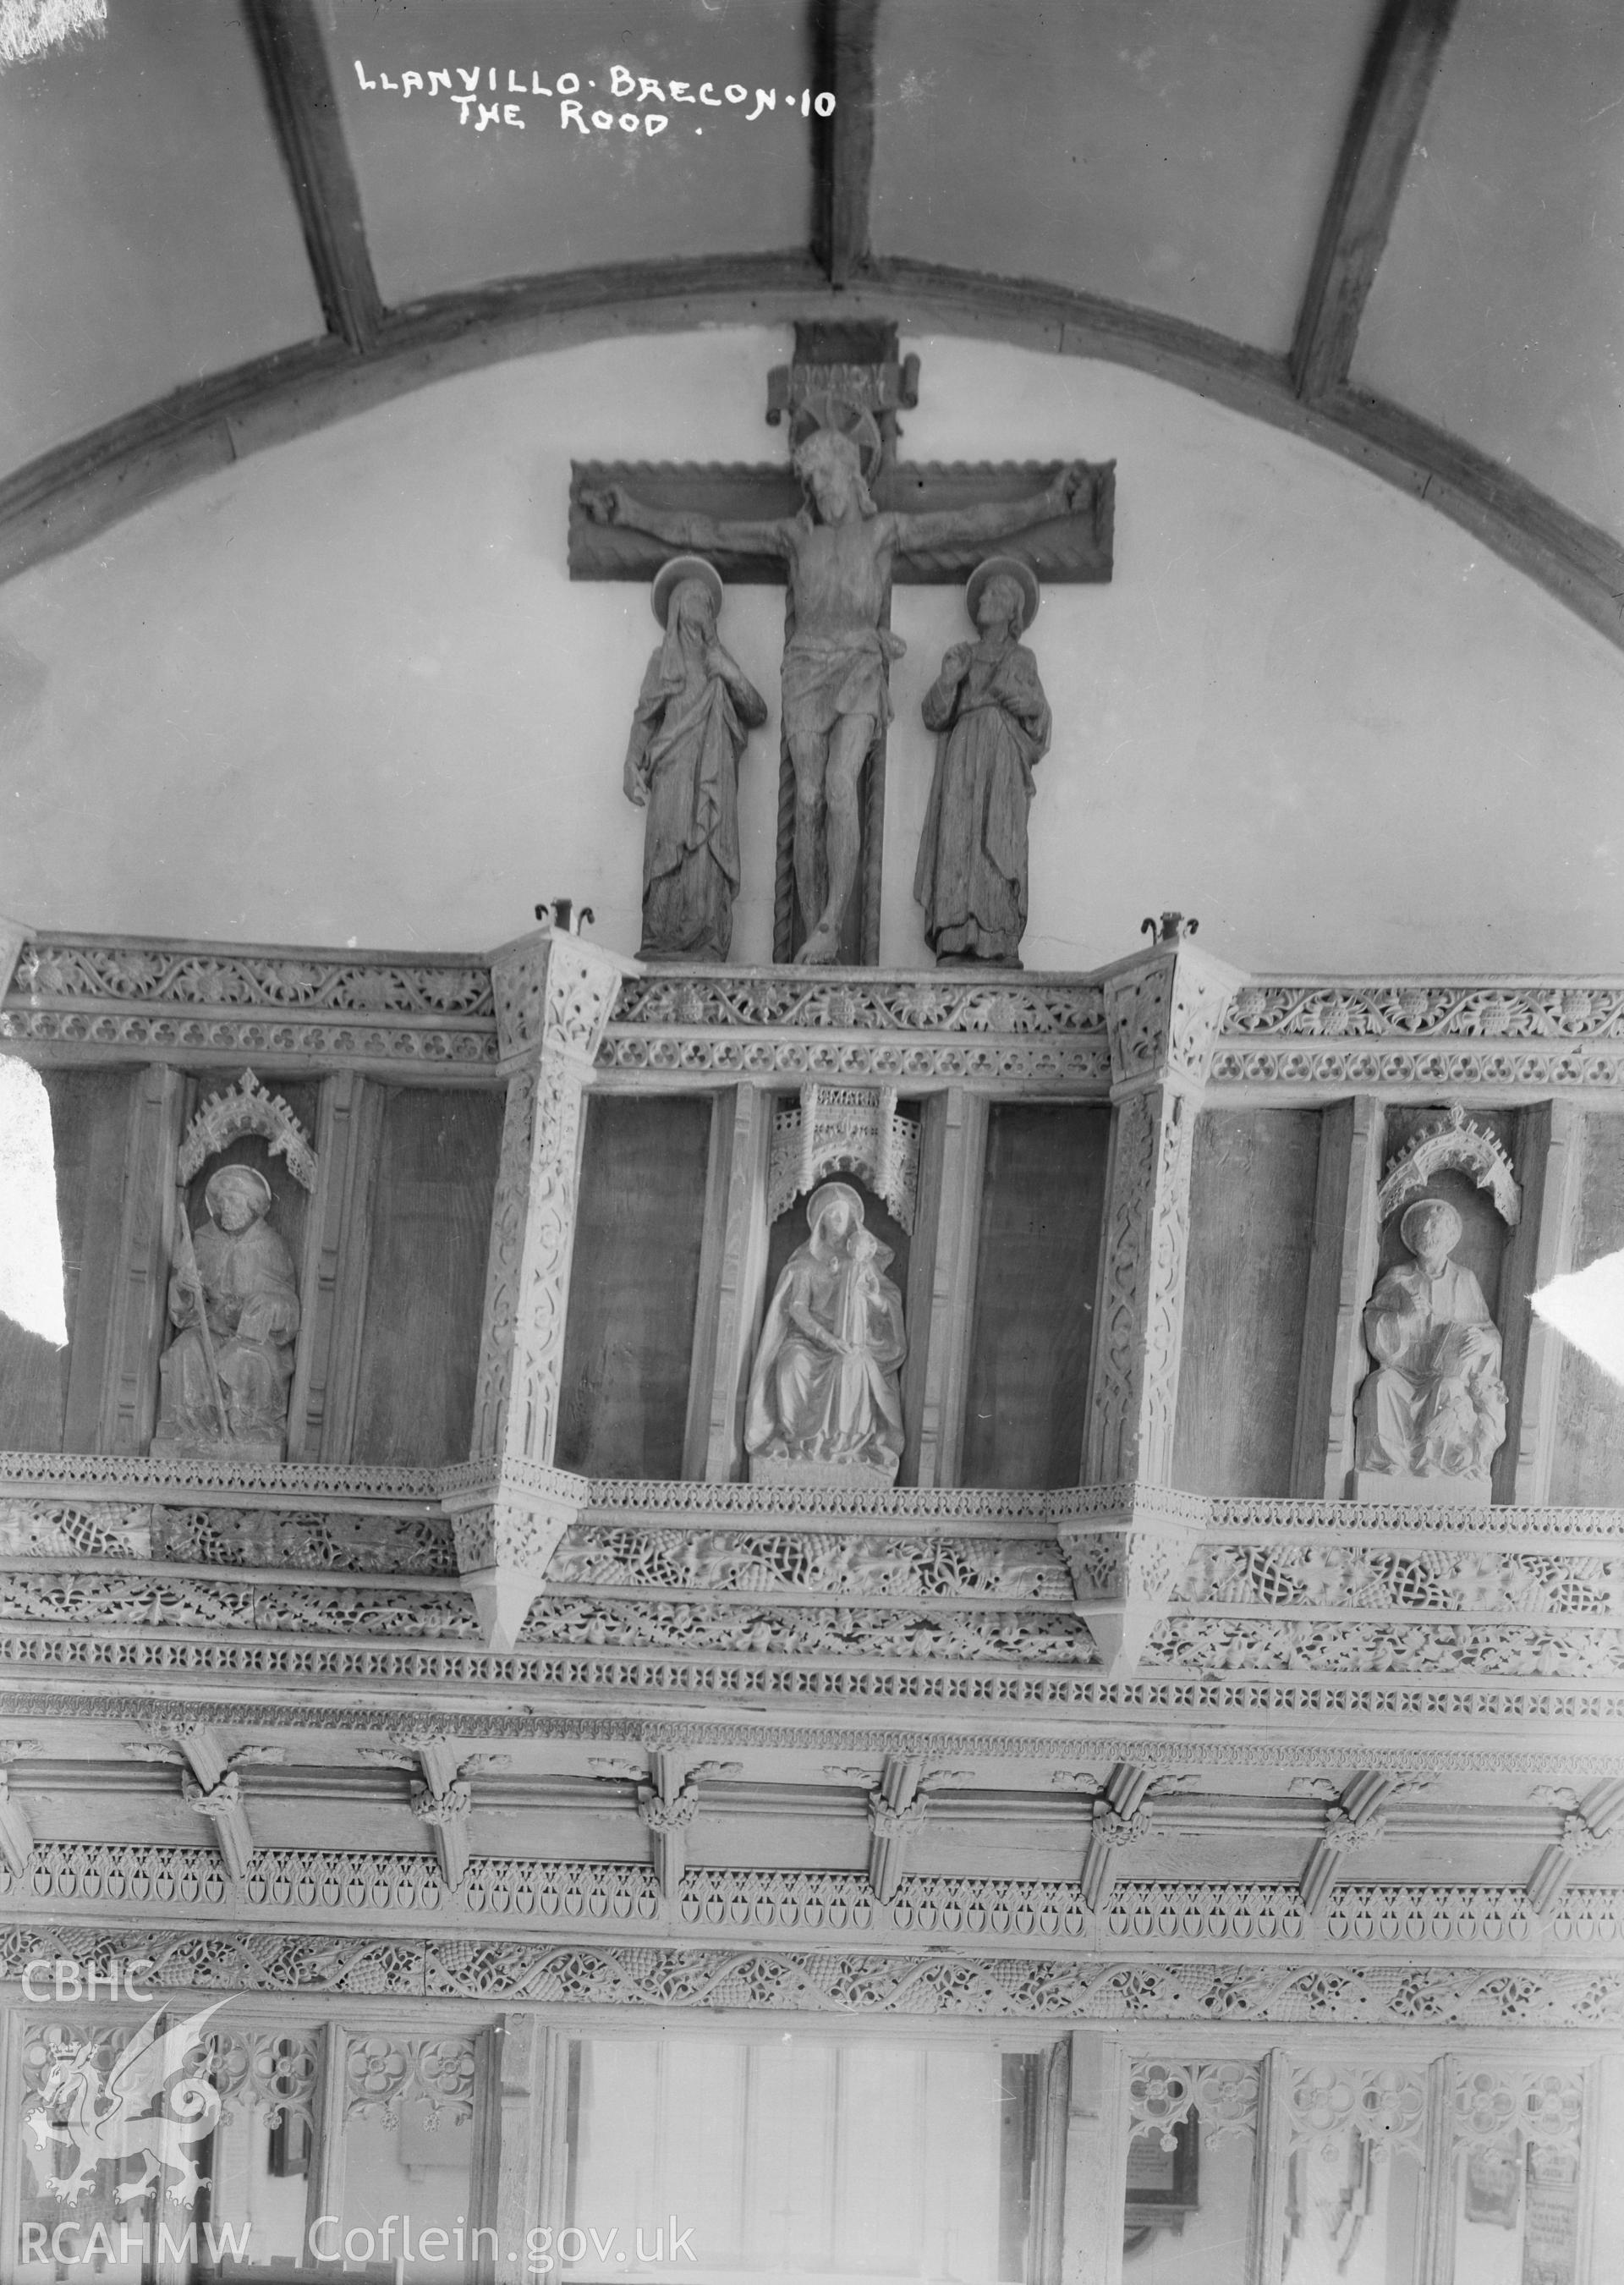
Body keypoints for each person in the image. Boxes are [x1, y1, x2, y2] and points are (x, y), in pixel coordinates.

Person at [584, 432, 1084, 964]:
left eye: (822, 474)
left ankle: (828, 923)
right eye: (809, 479)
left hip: (861, 665)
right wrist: (632, 513)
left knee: (843, 783)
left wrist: (1049, 503)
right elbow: (706, 530)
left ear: (850, 473)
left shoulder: (882, 533)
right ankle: (810, 924)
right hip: (805, 666)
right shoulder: (796, 539)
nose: (815, 487)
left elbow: (968, 523)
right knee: (808, 797)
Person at [623, 558, 766, 961]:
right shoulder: (662, 661)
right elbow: (644, 718)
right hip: (671, 771)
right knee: (668, 849)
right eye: (692, 599)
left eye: (706, 601)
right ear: (677, 609)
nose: (700, 607)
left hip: (714, 774)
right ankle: (660, 938)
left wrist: (732, 675)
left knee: (706, 852)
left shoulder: (719, 660)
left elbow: (757, 712)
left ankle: (706, 939)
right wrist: (630, 764)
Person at [914, 557, 1053, 964]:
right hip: (963, 755)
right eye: (986, 592)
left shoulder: (1022, 659)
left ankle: (997, 939)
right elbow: (933, 716)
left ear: (1013, 611)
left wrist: (1026, 703)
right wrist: (948, 680)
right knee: (959, 836)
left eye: (997, 594)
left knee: (1000, 844)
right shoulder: (962, 655)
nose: (985, 600)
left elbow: (1041, 726)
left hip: (1004, 760)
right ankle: (956, 937)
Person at [744, 1182, 907, 1478]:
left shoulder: (862, 1263)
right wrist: (826, 1338)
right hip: (808, 1340)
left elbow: (884, 1304)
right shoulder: (805, 1263)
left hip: (850, 1340)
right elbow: (797, 1309)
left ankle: (843, 1445)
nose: (838, 1222)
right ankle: (801, 1442)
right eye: (831, 1216)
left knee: (853, 1365)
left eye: (842, 1216)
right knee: (791, 1364)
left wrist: (873, 1297)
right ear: (820, 1222)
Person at [154, 1163, 300, 1456]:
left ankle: (250, 1432)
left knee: (244, 1360)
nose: (225, 1207)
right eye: (221, 1201)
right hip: (211, 1329)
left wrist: (268, 1308)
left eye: (232, 1200)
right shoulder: (204, 1240)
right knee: (184, 1350)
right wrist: (185, 1286)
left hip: (254, 1340)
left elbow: (289, 1307)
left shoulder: (270, 1245)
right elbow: (184, 1312)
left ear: (252, 1203)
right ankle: (196, 1433)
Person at [1354, 1197, 1505, 1480]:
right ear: (1411, 1235)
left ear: (1449, 1237)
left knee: (1448, 1387)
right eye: (1420, 1226)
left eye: (1434, 1225)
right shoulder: (1399, 1277)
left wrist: (1485, 1343)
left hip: (1443, 1376)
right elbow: (1374, 1326)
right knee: (1379, 1384)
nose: (1426, 1231)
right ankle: (1389, 1465)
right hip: (1404, 1374)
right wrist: (1404, 1318)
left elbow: (1490, 1332)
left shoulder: (1465, 1279)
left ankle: (1433, 1463)